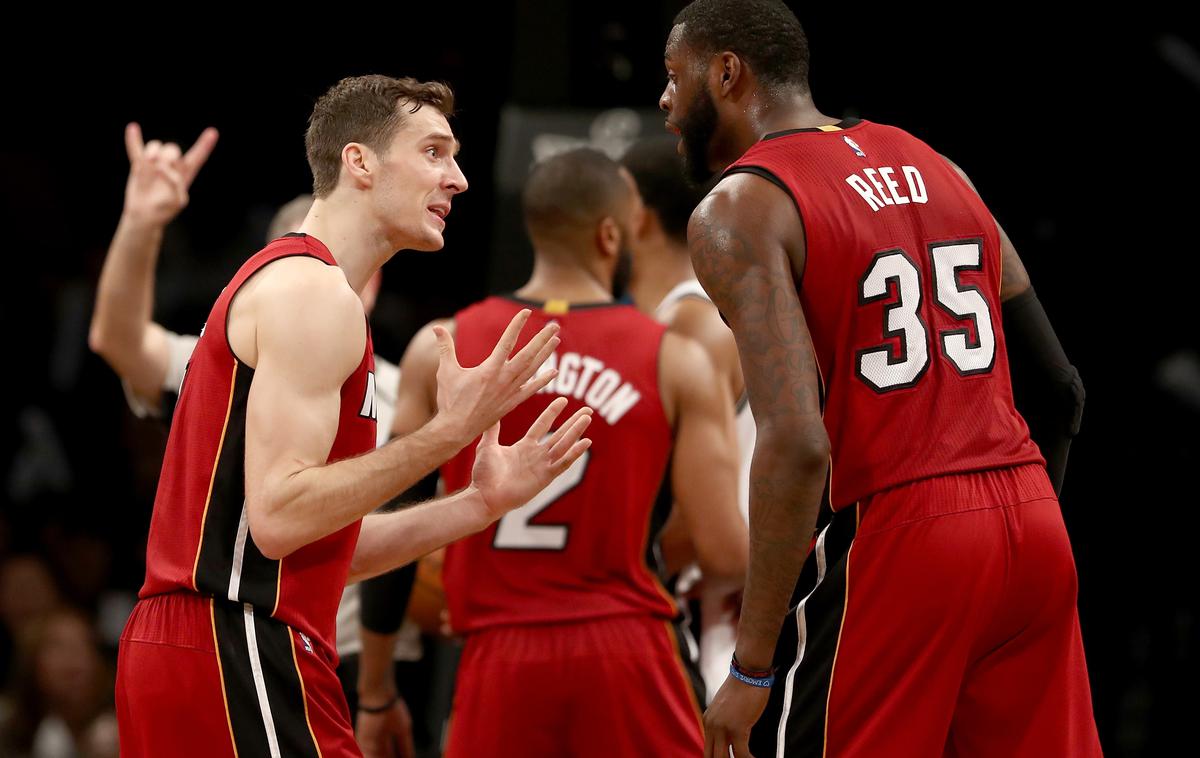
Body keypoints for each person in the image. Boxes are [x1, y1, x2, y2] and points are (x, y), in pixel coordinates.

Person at [659, 2, 1098, 756]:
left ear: (725, 73)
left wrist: (753, 667)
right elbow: (1060, 388)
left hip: (902, 533)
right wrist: (1010, 527)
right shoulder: (940, 165)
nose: (665, 101)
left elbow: (798, 443)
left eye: (673, 77)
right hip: (1032, 523)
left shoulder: (741, 205)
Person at [112, 74, 592, 757]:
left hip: (215, 640)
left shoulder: (314, 291)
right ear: (359, 161)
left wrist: (479, 503)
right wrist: (447, 432)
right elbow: (282, 517)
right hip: (236, 640)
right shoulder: (312, 293)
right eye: (433, 152)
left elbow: (317, 546)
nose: (457, 178)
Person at [357, 148, 748, 758]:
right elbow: (724, 551)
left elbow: (389, 528)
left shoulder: (444, 348)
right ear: (612, 234)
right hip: (629, 647)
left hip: (498, 653)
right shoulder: (675, 357)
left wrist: (376, 691)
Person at [88, 127, 430, 751]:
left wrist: (477, 504)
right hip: (249, 639)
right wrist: (140, 224)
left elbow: (344, 543)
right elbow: (119, 338)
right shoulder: (230, 350)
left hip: (336, 649)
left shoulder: (400, 385)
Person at [622, 137, 753, 701]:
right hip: (702, 598)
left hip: (713, 615)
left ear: (634, 216)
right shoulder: (680, 313)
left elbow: (698, 522)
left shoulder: (689, 325)